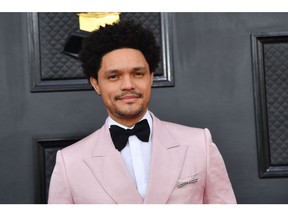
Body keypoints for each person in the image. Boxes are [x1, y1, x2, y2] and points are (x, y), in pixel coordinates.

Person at [48, 20, 237, 204]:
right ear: (96, 84)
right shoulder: (69, 162)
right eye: (114, 77)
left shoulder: (199, 144)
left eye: (138, 74)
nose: (128, 85)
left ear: (151, 77)